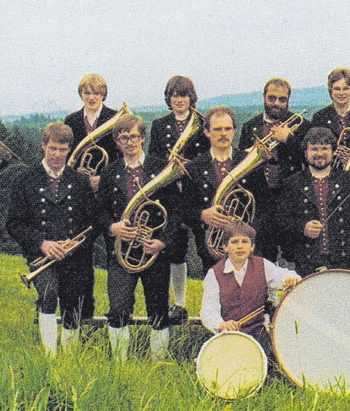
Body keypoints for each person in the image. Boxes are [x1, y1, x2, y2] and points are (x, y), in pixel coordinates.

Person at [6, 122, 97, 357]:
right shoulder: (24, 180)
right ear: (43, 146)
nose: (57, 155)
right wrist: (42, 243)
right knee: (47, 296)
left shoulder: (80, 181)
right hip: (41, 255)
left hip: (73, 256)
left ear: (70, 150)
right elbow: (14, 224)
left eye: (63, 150)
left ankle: (68, 358)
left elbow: (92, 222)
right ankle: (49, 356)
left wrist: (72, 245)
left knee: (73, 305)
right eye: (53, 148)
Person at [96, 113, 180, 361]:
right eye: (123, 137)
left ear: (143, 138)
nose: (129, 141)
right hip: (121, 252)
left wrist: (163, 241)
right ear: (117, 141)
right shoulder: (109, 172)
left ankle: (158, 364)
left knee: (158, 309)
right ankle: (121, 364)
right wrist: (113, 228)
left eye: (134, 136)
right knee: (119, 307)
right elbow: (99, 210)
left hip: (153, 249)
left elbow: (175, 210)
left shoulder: (160, 167)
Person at [147, 75, 208, 324]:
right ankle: (180, 303)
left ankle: (209, 303)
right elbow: (153, 158)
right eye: (174, 95)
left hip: (197, 193)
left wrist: (189, 168)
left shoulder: (203, 122)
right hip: (171, 194)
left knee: (206, 249)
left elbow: (209, 156)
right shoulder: (160, 125)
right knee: (175, 249)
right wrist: (169, 169)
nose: (179, 100)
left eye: (183, 95)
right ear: (168, 98)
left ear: (191, 97)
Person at [184, 106, 273, 273]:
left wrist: (249, 232)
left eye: (227, 128)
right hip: (212, 248)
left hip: (247, 246)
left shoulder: (250, 162)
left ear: (234, 131)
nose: (223, 133)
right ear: (207, 132)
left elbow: (265, 205)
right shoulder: (194, 167)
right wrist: (202, 215)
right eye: (217, 129)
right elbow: (184, 209)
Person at [276, 127, 350, 277]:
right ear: (305, 152)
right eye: (314, 149)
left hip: (344, 262)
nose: (319, 154)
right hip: (306, 264)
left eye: (325, 148)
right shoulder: (291, 183)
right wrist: (303, 228)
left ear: (333, 152)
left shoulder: (349, 180)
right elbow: (281, 223)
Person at [63, 72, 119, 321]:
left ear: (103, 94)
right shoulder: (71, 120)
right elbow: (68, 159)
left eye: (96, 93)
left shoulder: (116, 117)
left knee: (113, 255)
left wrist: (102, 177)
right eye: (87, 92)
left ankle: (117, 310)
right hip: (82, 197)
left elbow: (121, 156)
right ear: (81, 94)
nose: (92, 97)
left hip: (108, 195)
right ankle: (84, 312)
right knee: (81, 257)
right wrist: (81, 179)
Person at [200, 221, 300, 354]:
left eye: (245, 242)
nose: (240, 246)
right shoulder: (214, 274)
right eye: (234, 242)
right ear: (225, 247)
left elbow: (284, 275)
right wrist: (221, 324)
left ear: (252, 247)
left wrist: (290, 279)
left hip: (258, 331)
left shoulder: (262, 265)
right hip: (229, 333)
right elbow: (208, 310)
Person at [239, 77, 309, 262]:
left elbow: (313, 160)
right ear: (263, 97)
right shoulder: (250, 126)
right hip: (261, 201)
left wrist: (289, 140)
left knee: (293, 254)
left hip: (291, 199)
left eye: (282, 99)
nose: (276, 103)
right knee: (263, 255)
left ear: (288, 100)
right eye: (272, 98)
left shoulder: (302, 125)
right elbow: (241, 166)